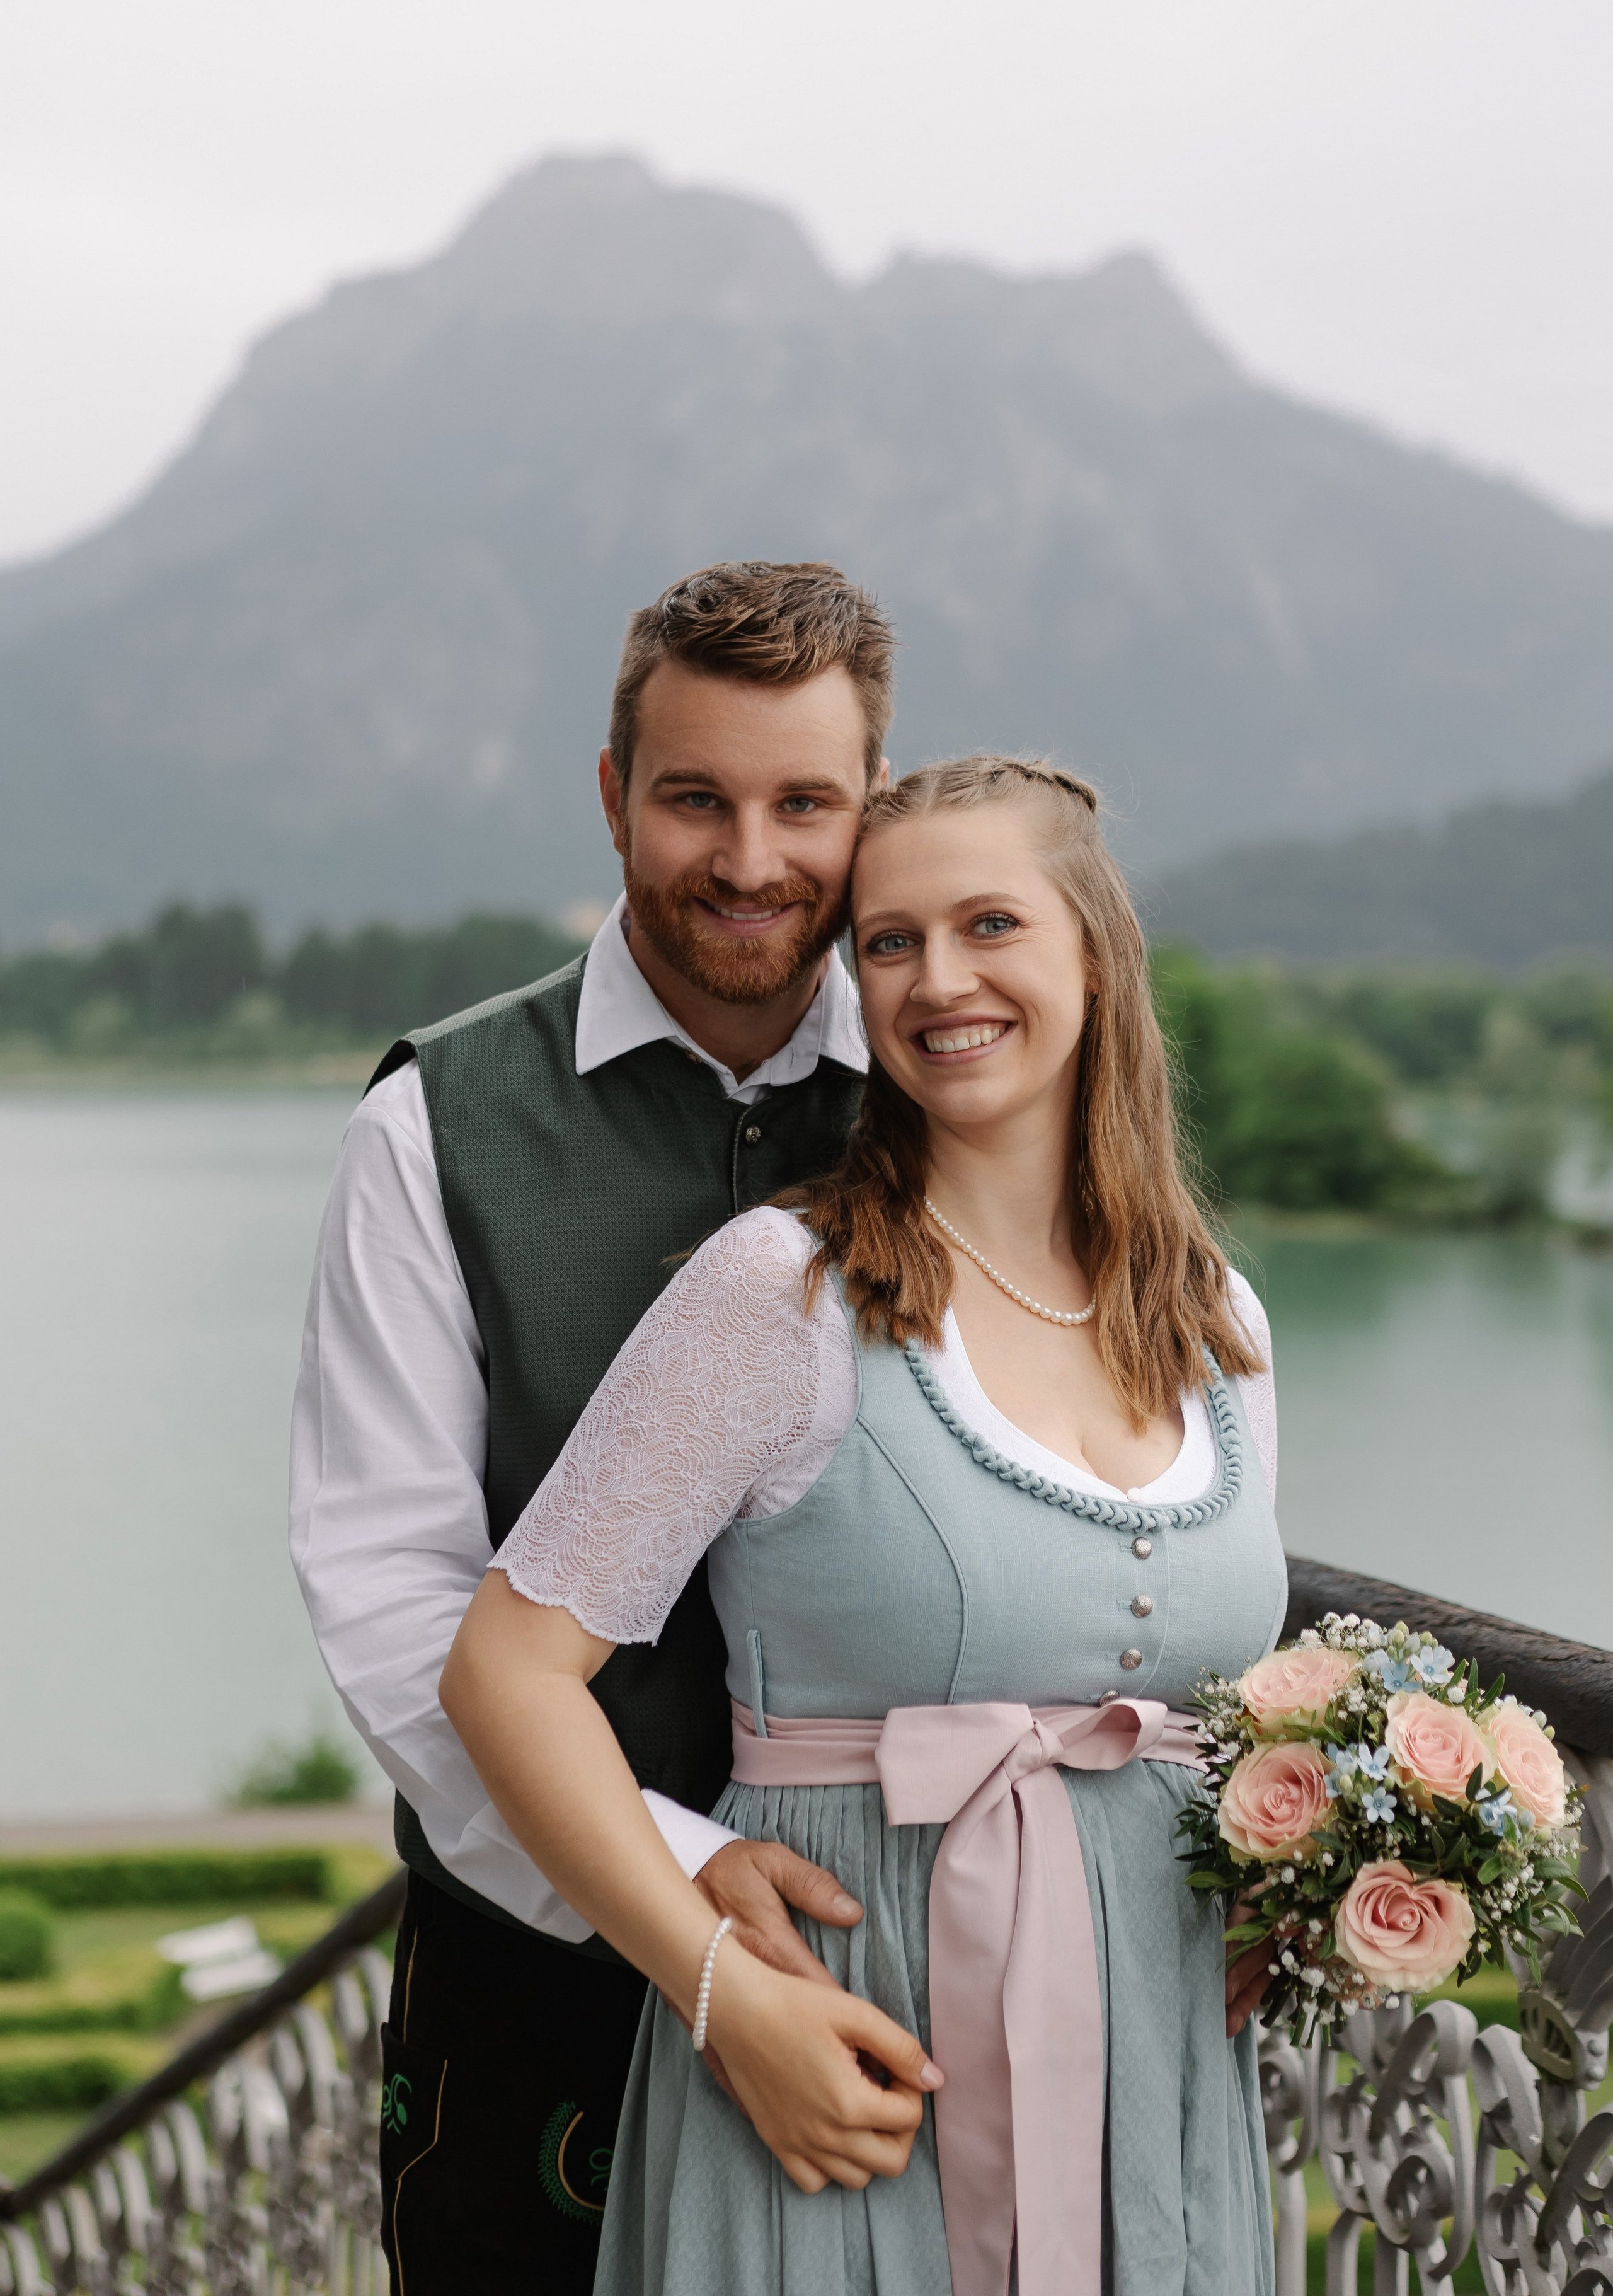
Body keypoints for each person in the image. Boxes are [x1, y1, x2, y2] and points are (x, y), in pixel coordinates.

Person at [442, 753, 1287, 2296]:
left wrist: (1314, 1875)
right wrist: (718, 1996)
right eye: (887, 943)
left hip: (1159, 2079)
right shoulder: (780, 1293)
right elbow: (503, 1675)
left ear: (1092, 951)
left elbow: (1224, 1698)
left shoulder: (1214, 1321)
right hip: (846, 2062)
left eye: (987, 925)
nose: (934, 981)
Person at [289, 560, 897, 2292]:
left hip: (904, 1962)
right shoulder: (432, 1129)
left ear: (873, 810)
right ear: (614, 791)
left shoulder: (963, 1090)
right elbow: (393, 1596)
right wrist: (680, 1876)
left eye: (808, 804)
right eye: (697, 796)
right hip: (533, 1990)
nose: (753, 859)